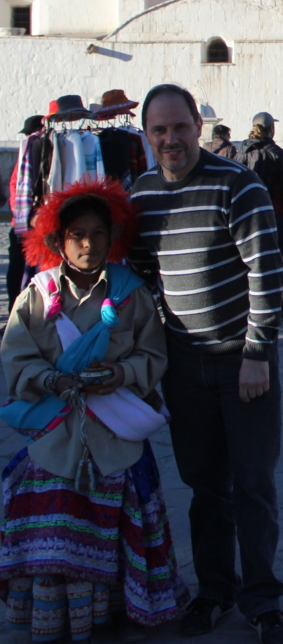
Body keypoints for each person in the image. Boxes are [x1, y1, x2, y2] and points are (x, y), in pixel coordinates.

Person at [128, 85, 283, 644]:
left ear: (198, 125)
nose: (170, 139)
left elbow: (265, 276)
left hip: (241, 362)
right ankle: (216, 591)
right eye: (159, 130)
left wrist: (255, 354)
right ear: (147, 134)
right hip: (183, 366)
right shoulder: (142, 195)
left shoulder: (236, 186)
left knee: (252, 484)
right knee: (204, 487)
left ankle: (263, 599)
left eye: (179, 127)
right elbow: (144, 275)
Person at [0, 179, 188, 640]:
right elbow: (16, 356)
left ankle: (115, 611)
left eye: (98, 233)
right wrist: (51, 380)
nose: (88, 244)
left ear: (112, 237)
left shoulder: (132, 294)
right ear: (58, 241)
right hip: (56, 435)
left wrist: (121, 376)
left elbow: (153, 355)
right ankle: (57, 616)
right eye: (77, 235)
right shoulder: (38, 296)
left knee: (122, 513)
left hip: (113, 437)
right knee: (40, 509)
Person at [235, 113, 283, 321]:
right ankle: (274, 304)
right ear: (271, 129)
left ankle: (248, 304)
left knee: (247, 261)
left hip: (246, 215)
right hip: (274, 213)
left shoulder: (241, 153)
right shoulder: (277, 154)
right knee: (273, 261)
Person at [7, 114, 44, 310]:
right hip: (23, 224)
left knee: (21, 270)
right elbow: (14, 186)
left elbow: (13, 186)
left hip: (25, 222)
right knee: (18, 270)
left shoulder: (43, 147)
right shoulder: (30, 150)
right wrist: (24, 216)